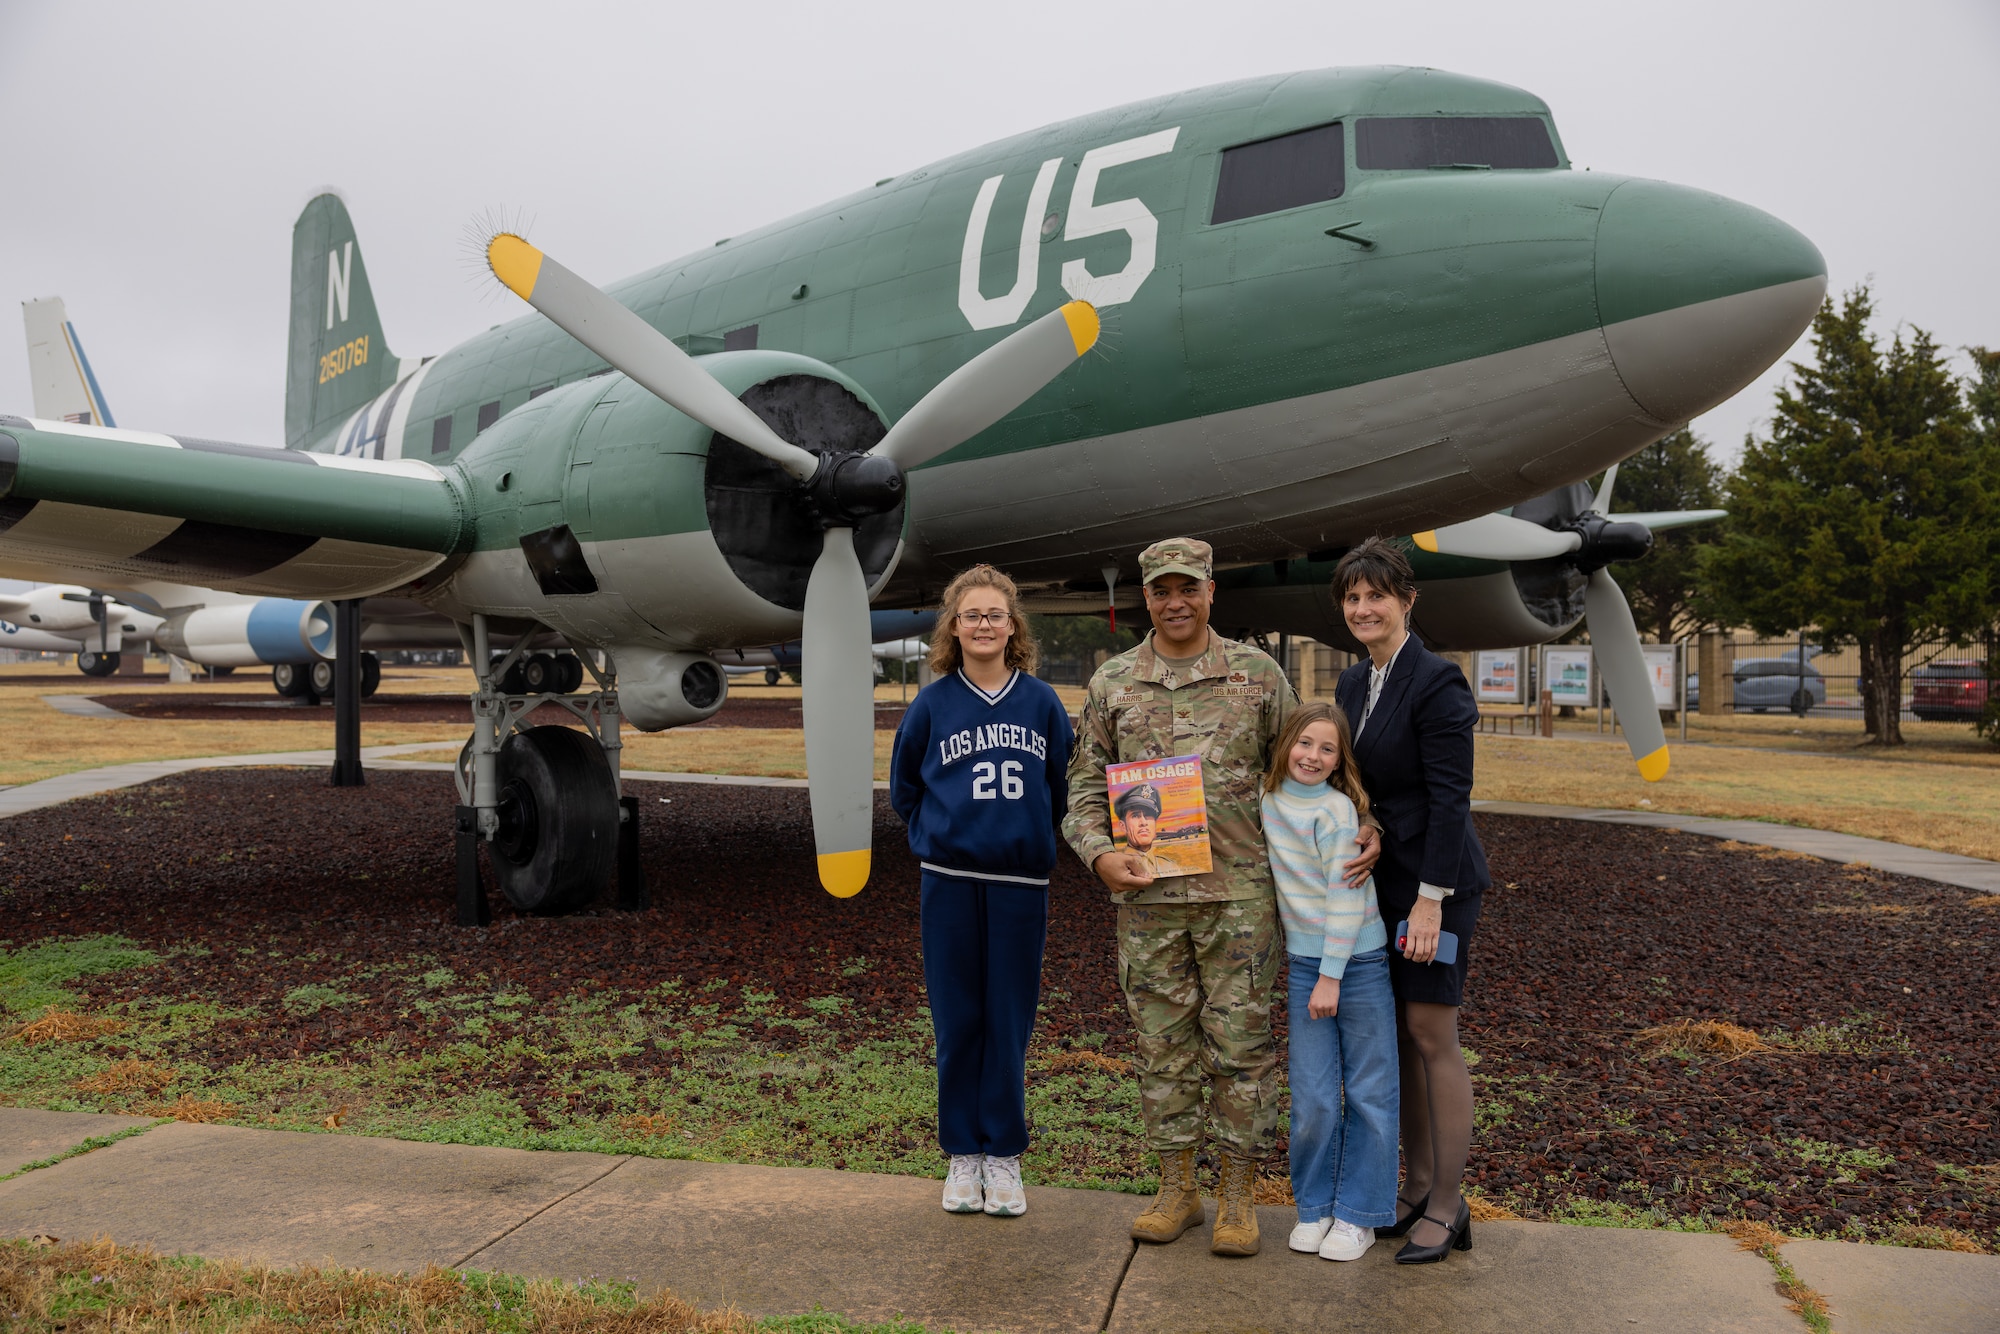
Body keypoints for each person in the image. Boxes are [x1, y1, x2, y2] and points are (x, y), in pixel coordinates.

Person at [1064, 536, 1379, 1258]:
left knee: (1240, 1051)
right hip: (1147, 903)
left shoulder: (1257, 676)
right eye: (1161, 591)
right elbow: (1083, 785)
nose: (1176, 602)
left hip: (1239, 904)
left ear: (1211, 591)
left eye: (1189, 588)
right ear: (1145, 598)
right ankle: (1179, 1189)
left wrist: (1362, 823)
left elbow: (1312, 765)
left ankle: (1238, 1195)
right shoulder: (1113, 682)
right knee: (1161, 1048)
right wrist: (1100, 853)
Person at [891, 563, 1074, 1219]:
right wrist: (939, 834)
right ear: (955, 627)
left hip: (1020, 885)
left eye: (996, 614)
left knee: (1007, 1023)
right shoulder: (933, 703)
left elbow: (1063, 788)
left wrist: (1028, 837)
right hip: (948, 884)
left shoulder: (1042, 702)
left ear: (1012, 625)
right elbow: (904, 789)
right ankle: (961, 1154)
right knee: (957, 1022)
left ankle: (1004, 1156)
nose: (985, 624)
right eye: (973, 615)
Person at [1331, 537, 1490, 1265]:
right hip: (1382, 882)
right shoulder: (1352, 684)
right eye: (1353, 598)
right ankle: (1418, 1187)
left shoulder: (1437, 682)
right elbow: (1367, 786)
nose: (1364, 609)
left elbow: (1451, 801)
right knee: (1400, 1037)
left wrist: (1430, 903)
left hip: (1437, 886)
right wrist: (1363, 825)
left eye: (1377, 597)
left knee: (1433, 1033)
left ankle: (1451, 1206)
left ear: (1407, 601)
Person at [1260, 701, 1397, 1263]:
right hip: (1305, 965)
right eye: (1304, 743)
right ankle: (1314, 1207)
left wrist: (1331, 977)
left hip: (1355, 964)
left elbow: (1345, 896)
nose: (1312, 756)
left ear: (1340, 762)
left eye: (1327, 749)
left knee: (1369, 1093)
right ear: (1285, 743)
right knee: (1314, 1097)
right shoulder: (1266, 803)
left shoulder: (1338, 811)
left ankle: (1358, 1215)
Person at [1113, 783, 1178, 878]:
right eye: (1135, 815)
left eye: (1148, 815)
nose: (1143, 822)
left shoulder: (1170, 865)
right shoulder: (1117, 867)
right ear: (1123, 826)